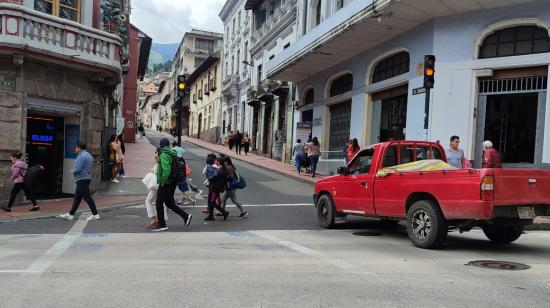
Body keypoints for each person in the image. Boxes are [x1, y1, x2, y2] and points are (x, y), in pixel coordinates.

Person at [151, 138, 192, 232]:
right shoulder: (171, 152)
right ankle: (186, 216)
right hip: (173, 181)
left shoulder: (164, 154)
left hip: (166, 182)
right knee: (169, 203)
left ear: (161, 146)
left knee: (158, 203)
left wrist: (163, 181)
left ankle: (162, 225)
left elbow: (166, 170)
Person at [58, 142, 100, 221]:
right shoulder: (89, 155)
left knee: (87, 197)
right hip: (86, 178)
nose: (75, 149)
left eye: (76, 148)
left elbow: (78, 169)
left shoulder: (81, 156)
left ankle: (95, 214)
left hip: (81, 179)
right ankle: (71, 214)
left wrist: (72, 171)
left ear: (79, 148)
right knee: (77, 198)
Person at [142, 150, 168, 229]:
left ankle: (155, 220)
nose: (154, 154)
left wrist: (154, 171)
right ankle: (158, 220)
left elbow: (159, 172)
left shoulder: (160, 161)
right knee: (158, 202)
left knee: (149, 201)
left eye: (156, 153)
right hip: (157, 184)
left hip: (156, 184)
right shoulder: (160, 160)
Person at [203, 154, 229, 221]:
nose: (215, 162)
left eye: (216, 161)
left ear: (219, 162)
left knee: (212, 202)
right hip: (214, 187)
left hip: (215, 188)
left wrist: (208, 175)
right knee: (210, 201)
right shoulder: (220, 169)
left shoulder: (220, 171)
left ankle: (224, 212)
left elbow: (212, 178)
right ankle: (211, 215)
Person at [172, 141, 195, 206]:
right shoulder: (181, 149)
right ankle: (182, 199)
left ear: (173, 145)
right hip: (182, 164)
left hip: (176, 166)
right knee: (182, 186)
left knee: (179, 186)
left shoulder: (172, 149)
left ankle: (187, 199)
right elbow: (182, 156)